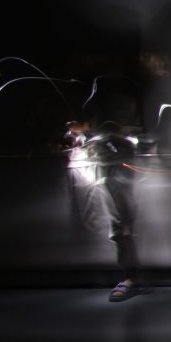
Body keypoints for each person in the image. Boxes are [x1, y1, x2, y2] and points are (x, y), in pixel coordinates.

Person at [64, 71, 147, 301]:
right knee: (118, 224)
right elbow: (90, 129)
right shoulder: (100, 101)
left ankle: (132, 277)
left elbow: (136, 131)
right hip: (105, 168)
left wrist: (116, 135)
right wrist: (80, 134)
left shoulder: (125, 101)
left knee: (124, 224)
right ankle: (129, 276)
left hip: (123, 168)